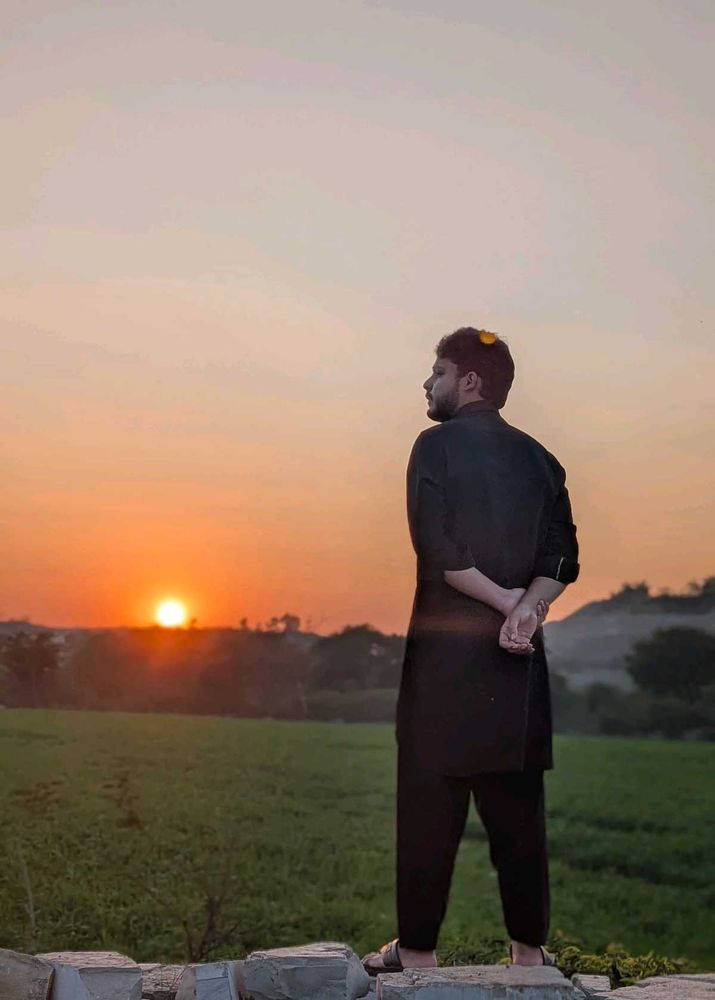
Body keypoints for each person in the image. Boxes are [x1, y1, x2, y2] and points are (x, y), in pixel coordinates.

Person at [361, 327, 580, 975]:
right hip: (516, 671)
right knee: (519, 818)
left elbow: (442, 553)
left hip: (443, 673)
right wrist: (526, 610)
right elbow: (560, 558)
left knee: (429, 811)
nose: (426, 385)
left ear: (470, 383)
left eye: (436, 373)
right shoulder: (543, 461)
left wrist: (504, 602)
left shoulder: (435, 446)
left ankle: (418, 958)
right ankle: (529, 957)